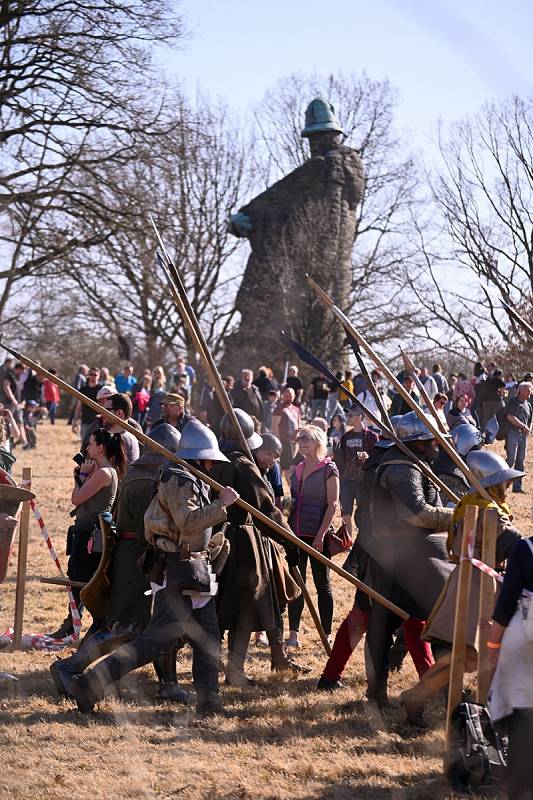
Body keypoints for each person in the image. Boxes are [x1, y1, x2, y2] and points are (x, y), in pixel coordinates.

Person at [69, 420, 239, 717]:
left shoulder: (190, 478)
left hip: (195, 570)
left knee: (208, 637)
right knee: (154, 641)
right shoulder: (178, 480)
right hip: (177, 568)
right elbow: (187, 522)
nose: (213, 465)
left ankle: (209, 703)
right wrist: (221, 505)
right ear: (199, 456)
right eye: (210, 459)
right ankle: (89, 685)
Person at [50, 425, 189, 704]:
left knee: (150, 624)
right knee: (130, 627)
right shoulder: (153, 479)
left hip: (136, 556)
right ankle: (71, 667)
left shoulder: (140, 473)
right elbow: (156, 525)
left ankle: (168, 685)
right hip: (140, 558)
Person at [401, 450, 523, 727]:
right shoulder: (488, 512)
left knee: (466, 655)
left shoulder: (471, 504)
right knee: (473, 653)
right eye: (502, 483)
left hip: (469, 581)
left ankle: (422, 697)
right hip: (478, 587)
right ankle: (421, 697)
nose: (506, 488)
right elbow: (515, 547)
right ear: (490, 483)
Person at [364, 411, 454, 707]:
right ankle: (382, 694)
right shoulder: (403, 468)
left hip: (407, 557)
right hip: (410, 559)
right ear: (418, 443)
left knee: (398, 626)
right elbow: (418, 514)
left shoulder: (412, 462)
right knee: (441, 625)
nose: (436, 446)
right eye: (431, 440)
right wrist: (459, 515)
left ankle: (444, 690)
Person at [215, 410, 304, 684]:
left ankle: (232, 670)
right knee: (245, 606)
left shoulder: (213, 459)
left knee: (226, 606)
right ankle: (235, 672)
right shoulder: (242, 465)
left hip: (216, 540)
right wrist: (290, 542)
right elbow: (267, 509)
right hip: (242, 543)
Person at [48, 427, 125, 639]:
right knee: (78, 580)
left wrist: (80, 476)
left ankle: (99, 626)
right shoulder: (102, 471)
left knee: (82, 582)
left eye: (90, 444)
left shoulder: (103, 473)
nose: (87, 448)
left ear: (100, 448)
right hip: (86, 532)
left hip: (91, 535)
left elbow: (77, 498)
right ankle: (73, 623)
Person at [488, 535, 533, 798]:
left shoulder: (525, 549)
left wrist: (493, 646)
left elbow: (506, 602)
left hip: (525, 639)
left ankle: (519, 783)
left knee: (523, 714)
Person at [286, 425, 339, 648]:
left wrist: (321, 535)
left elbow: (333, 504)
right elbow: (295, 501)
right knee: (297, 584)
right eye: (299, 439)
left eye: (306, 438)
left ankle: (326, 633)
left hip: (318, 535)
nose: (301, 442)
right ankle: (294, 634)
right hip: (296, 533)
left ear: (317, 441)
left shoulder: (329, 468)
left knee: (322, 584)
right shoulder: (297, 469)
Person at [335, 409, 378, 538]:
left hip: (363, 481)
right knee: (346, 512)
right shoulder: (346, 437)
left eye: (351, 415)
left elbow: (377, 458)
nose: (349, 417)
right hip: (347, 480)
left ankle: (363, 539)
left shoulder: (371, 436)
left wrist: (368, 457)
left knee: (363, 512)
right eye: (348, 415)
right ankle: (348, 539)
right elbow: (340, 458)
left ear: (360, 417)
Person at [505, 381, 532, 494]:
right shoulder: (513, 401)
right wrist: (523, 426)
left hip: (523, 436)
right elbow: (510, 417)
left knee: (520, 461)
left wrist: (528, 428)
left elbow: (530, 419)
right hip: (513, 433)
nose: (530, 392)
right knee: (511, 459)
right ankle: (499, 483)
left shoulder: (529, 405)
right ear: (521, 390)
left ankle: (517, 487)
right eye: (528, 389)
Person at [271, 387, 300, 483]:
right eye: (286, 396)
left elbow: (298, 425)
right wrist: (278, 444)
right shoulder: (279, 408)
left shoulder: (296, 409)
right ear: (283, 396)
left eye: (290, 396)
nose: (288, 398)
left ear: (294, 396)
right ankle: (284, 494)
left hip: (294, 443)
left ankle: (291, 495)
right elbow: (274, 426)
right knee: (285, 470)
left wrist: (298, 442)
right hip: (283, 442)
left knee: (290, 469)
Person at [72, 368, 102, 441]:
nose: (93, 376)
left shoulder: (102, 389)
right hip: (85, 422)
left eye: (95, 374)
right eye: (91, 374)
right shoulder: (83, 389)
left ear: (99, 376)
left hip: (98, 423)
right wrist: (75, 421)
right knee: (84, 446)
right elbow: (78, 406)